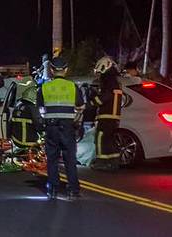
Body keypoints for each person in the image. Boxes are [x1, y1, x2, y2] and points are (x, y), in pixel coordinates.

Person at [36, 56, 84, 200]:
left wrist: (46, 121)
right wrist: (74, 120)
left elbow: (40, 109)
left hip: (51, 127)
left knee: (52, 159)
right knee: (70, 159)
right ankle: (73, 189)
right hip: (68, 127)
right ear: (66, 70)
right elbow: (81, 107)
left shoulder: (43, 87)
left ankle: (53, 188)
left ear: (51, 70)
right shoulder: (73, 87)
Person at [90, 56, 123, 171]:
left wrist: (92, 98)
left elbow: (102, 99)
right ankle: (113, 162)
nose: (99, 76)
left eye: (99, 73)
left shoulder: (108, 83)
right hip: (113, 117)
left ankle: (102, 161)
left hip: (106, 116)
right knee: (109, 139)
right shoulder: (115, 82)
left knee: (100, 138)